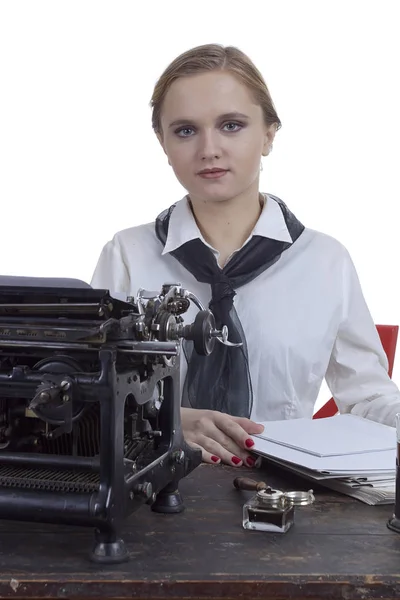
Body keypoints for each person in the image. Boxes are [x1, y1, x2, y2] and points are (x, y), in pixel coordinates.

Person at [91, 43, 400, 468]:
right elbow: (91, 391)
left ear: (269, 134)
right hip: (149, 488)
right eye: (185, 130)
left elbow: (367, 396)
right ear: (162, 142)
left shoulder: (326, 261)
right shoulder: (127, 253)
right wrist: (170, 421)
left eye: (231, 125)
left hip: (282, 490)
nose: (209, 149)